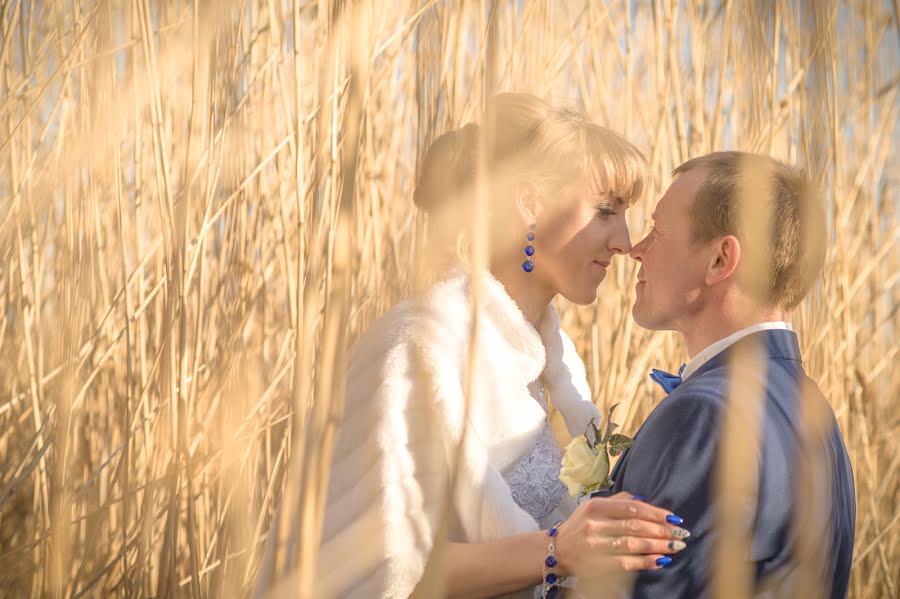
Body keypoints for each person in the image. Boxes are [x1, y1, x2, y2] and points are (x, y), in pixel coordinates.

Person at [316, 94, 690, 599]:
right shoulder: (421, 347)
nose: (625, 241)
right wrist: (559, 551)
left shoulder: (556, 371)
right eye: (605, 211)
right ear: (531, 203)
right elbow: (382, 568)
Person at [606, 152, 855, 598]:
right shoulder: (814, 412)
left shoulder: (707, 414)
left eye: (658, 232)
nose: (635, 250)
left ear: (721, 259)